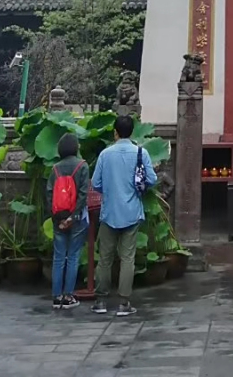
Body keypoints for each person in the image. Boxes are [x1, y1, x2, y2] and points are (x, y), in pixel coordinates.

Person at [90, 114, 157, 316]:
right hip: (131, 211)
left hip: (109, 212)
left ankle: (101, 301)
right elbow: (152, 179)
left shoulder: (105, 154)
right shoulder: (140, 152)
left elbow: (96, 183)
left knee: (105, 258)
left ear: (115, 132)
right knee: (128, 258)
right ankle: (124, 303)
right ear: (132, 132)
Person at [46, 132, 89, 310]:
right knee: (72, 256)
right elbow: (83, 193)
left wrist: (58, 217)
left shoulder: (54, 168)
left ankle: (57, 297)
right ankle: (68, 296)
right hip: (76, 218)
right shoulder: (82, 166)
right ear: (76, 147)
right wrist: (74, 216)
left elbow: (49, 194)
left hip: (58, 218)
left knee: (58, 257)